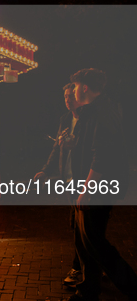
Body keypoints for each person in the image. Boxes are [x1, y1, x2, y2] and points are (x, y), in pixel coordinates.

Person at [64, 68, 137, 301]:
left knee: (95, 242)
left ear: (85, 87)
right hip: (91, 187)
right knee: (87, 243)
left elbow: (101, 156)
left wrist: (86, 191)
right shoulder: (94, 111)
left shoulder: (102, 112)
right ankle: (89, 288)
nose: (73, 90)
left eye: (75, 86)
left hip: (97, 189)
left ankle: (132, 286)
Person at [33, 83, 82, 287]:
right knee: (78, 226)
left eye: (71, 95)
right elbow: (56, 149)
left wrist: (76, 144)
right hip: (69, 181)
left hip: (85, 181)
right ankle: (90, 266)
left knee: (84, 229)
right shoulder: (65, 119)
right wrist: (45, 170)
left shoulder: (87, 120)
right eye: (65, 96)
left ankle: (80, 269)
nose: (67, 99)